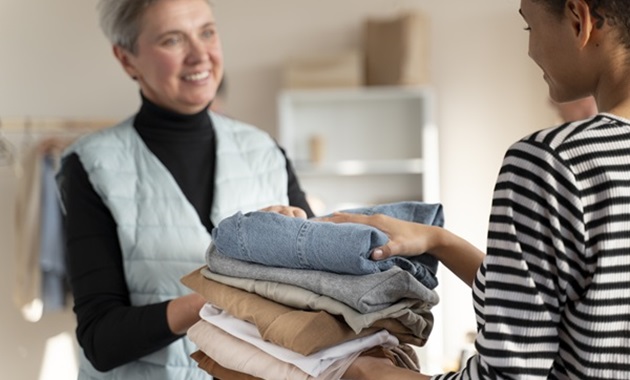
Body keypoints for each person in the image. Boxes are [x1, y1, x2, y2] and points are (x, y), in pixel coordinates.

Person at [336, 0, 630, 378]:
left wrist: (365, 371)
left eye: (529, 28)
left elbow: (506, 374)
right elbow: (567, 303)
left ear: (578, 21)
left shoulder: (552, 161)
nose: (530, 49)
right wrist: (440, 241)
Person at [56, 0, 313, 379]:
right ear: (127, 59)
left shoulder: (265, 152)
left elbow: (320, 290)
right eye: (173, 40)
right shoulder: (91, 166)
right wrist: (222, 299)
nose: (200, 55)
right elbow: (100, 340)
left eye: (207, 32)